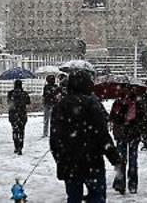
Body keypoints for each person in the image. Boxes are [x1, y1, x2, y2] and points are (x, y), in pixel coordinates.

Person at [50, 70, 120, 203]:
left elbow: (55, 138)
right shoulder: (92, 104)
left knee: (74, 197)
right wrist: (114, 157)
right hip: (92, 161)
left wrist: (60, 158)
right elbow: (102, 135)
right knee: (97, 196)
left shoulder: (60, 106)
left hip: (69, 162)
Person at [109, 85, 145, 195]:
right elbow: (113, 118)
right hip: (121, 134)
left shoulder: (137, 103)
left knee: (132, 160)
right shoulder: (118, 103)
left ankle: (132, 184)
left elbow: (142, 118)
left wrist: (139, 129)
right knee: (121, 159)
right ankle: (120, 183)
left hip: (133, 134)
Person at [7, 79, 31, 154]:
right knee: (21, 131)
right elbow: (28, 102)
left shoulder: (11, 93)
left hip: (13, 114)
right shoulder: (24, 93)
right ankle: (20, 147)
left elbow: (8, 102)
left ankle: (16, 146)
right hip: (22, 114)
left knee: (15, 130)